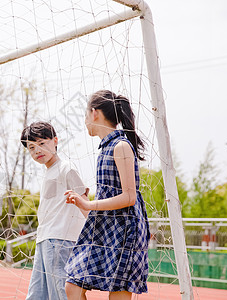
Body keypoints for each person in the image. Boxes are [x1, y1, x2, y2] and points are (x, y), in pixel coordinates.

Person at [64, 90, 149, 300]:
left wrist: (88, 204)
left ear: (94, 113)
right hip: (104, 230)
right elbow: (107, 199)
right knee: (73, 286)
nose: (85, 121)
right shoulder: (105, 148)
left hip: (126, 231)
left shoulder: (121, 146)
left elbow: (129, 197)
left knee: (117, 295)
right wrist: (83, 205)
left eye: (85, 115)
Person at [20, 121, 89, 300]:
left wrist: (95, 234)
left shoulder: (66, 168)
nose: (37, 151)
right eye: (31, 147)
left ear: (55, 141)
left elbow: (84, 200)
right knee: (36, 294)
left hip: (61, 240)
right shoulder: (48, 172)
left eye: (42, 144)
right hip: (44, 238)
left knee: (60, 291)